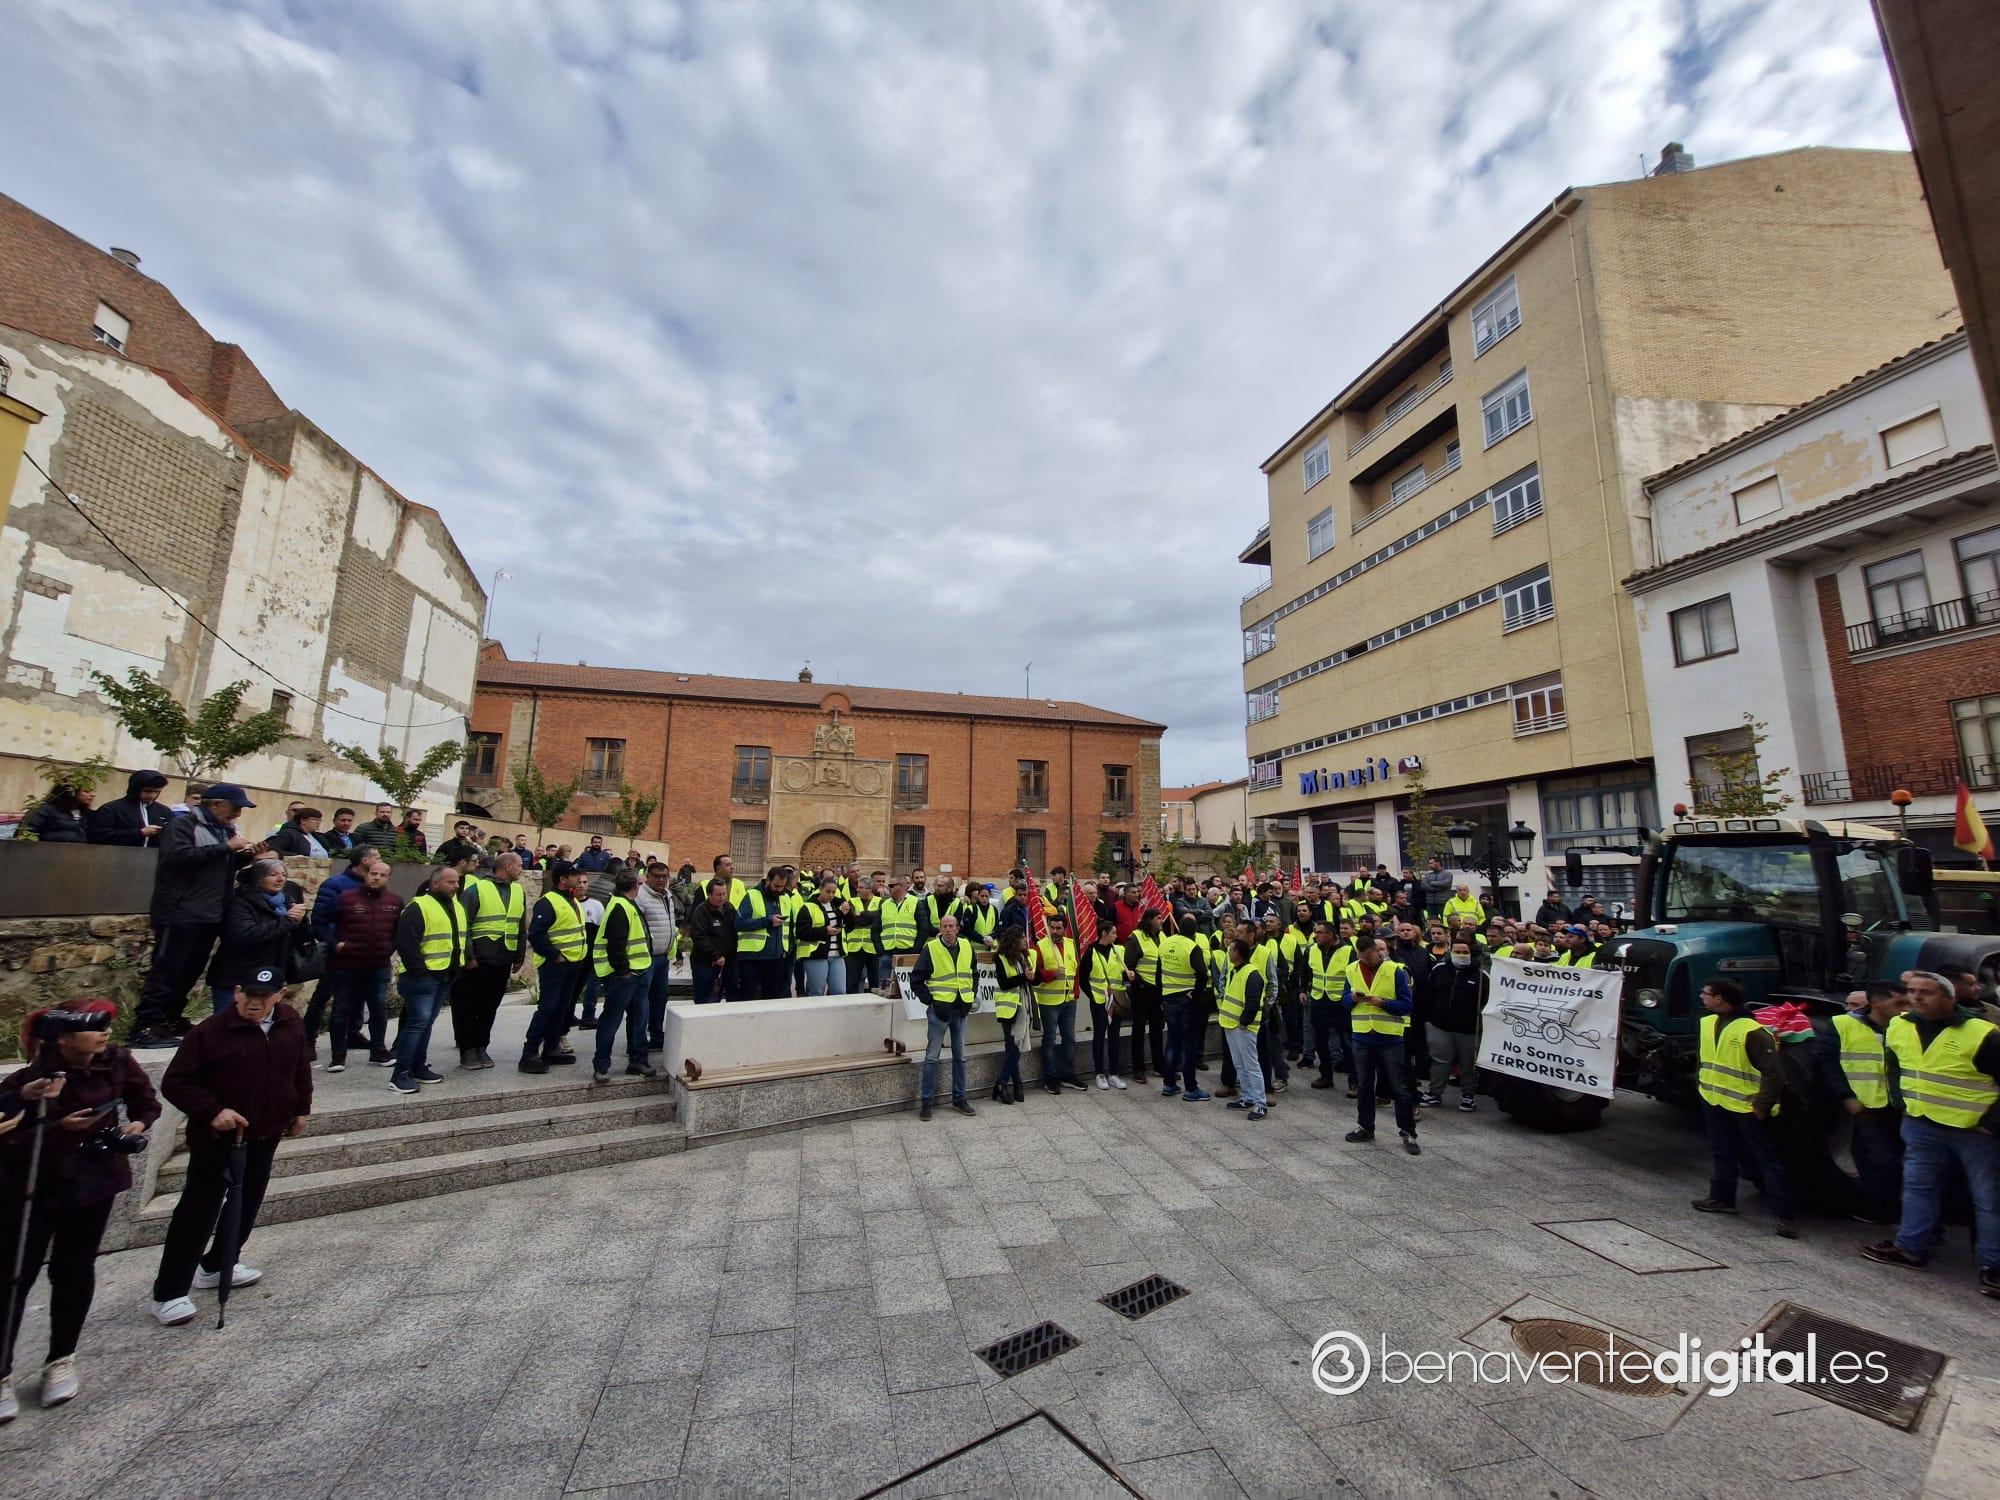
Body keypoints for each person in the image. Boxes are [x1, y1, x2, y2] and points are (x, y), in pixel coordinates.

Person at [0, 1001, 159, 1418]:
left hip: (93, 1183)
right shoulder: (30, 1080)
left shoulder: (118, 1062)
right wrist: (58, 1129)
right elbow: (10, 1139)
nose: (105, 1033)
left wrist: (137, 1124)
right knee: (15, 1277)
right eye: (94, 1027)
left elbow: (146, 1101)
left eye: (107, 1025)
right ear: (64, 1039)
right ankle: (2, 1374)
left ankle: (61, 1359)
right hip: (34, 1188)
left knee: (73, 1270)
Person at [148, 968, 309, 1326]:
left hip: (267, 1129)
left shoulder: (289, 1022)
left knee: (248, 1200)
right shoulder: (210, 1032)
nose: (255, 1003)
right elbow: (176, 1082)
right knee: (198, 1209)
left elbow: (299, 1067)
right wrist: (213, 1110)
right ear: (236, 992)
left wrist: (301, 1108)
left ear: (279, 995)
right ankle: (169, 1291)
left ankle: (219, 1263)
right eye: (248, 994)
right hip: (220, 1137)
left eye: (264, 996)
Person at [1863, 970, 2000, 1296]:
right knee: (1918, 1188)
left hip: (1973, 1131)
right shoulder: (1900, 1025)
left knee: (1988, 1199)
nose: (1916, 997)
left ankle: (1993, 1266)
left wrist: (1992, 1123)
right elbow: (1894, 1064)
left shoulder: (1982, 1034)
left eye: (1926, 992)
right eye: (1912, 991)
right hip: (1922, 1123)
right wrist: (1901, 1101)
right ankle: (1910, 1247)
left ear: (1950, 998)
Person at [1690, 978, 1794, 1236]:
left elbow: (1774, 1074)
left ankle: (1784, 1215)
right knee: (1722, 1151)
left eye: (1706, 993)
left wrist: (1760, 1107)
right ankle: (1721, 1199)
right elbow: (1704, 1060)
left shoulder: (1752, 1031)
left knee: (1766, 1158)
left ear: (1719, 998)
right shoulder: (1707, 1022)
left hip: (1746, 1106)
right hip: (1714, 1099)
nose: (1702, 996)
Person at [388, 865, 465, 1094]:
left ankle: (418, 1066)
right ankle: (400, 1074)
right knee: (417, 1023)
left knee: (426, 1023)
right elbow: (405, 942)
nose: (456, 886)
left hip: (444, 974)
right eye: (450, 882)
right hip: (422, 977)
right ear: (435, 883)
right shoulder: (419, 906)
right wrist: (419, 970)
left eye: (457, 882)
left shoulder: (456, 906)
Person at [1344, 935, 1419, 1154]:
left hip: (1389, 1037)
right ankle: (1365, 1126)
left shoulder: (1396, 970)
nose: (1366, 962)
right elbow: (1344, 1001)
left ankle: (1408, 1133)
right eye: (1362, 958)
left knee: (1399, 1088)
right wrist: (1352, 999)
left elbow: (1406, 1005)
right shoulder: (1352, 969)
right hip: (1362, 1036)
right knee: (1364, 1085)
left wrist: (1383, 1003)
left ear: (1378, 952)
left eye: (1369, 957)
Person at [452, 852, 528, 1070]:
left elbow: (520, 925)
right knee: (469, 1006)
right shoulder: (477, 889)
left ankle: (481, 1046)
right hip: (479, 960)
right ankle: (468, 1049)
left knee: (489, 1006)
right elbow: (463, 924)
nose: (522, 869)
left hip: (503, 958)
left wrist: (519, 955)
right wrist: (469, 956)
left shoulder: (518, 891)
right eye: (519, 865)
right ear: (508, 866)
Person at [323, 856, 399, 1072]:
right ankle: (338, 1057)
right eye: (373, 873)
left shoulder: (394, 901)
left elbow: (397, 931)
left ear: (388, 878)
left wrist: (388, 949)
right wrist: (335, 944)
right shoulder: (345, 898)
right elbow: (320, 922)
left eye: (383, 875)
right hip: (346, 965)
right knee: (341, 1009)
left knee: (378, 1009)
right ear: (366, 875)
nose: (377, 878)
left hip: (378, 966)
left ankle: (378, 1051)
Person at [208, 860, 309, 1016]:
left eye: (283, 875)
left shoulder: (286, 902)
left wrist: (301, 921)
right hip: (237, 976)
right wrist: (287, 920)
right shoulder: (241, 902)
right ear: (258, 878)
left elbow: (300, 937)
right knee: (227, 1023)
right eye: (273, 875)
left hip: (269, 977)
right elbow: (246, 934)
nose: (280, 879)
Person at [588, 870, 657, 1083]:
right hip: (624, 977)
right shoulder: (620, 906)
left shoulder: (626, 904)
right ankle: (601, 1065)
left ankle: (638, 1060)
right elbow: (615, 945)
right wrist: (623, 971)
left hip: (638, 972)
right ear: (635, 885)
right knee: (611, 1020)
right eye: (641, 883)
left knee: (639, 1019)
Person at [519, 865, 587, 1072]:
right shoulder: (548, 902)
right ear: (563, 879)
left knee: (562, 1007)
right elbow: (536, 934)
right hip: (555, 965)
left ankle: (551, 1048)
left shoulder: (572, 900)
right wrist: (554, 955)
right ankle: (529, 1053)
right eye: (575, 876)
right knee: (548, 1007)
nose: (579, 880)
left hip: (573, 962)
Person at [910, 913, 976, 1120]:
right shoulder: (931, 948)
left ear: (957, 928)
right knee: (932, 1058)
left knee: (960, 1058)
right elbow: (916, 979)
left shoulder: (966, 945)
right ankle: (927, 1103)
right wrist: (930, 1001)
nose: (948, 929)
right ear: (940, 928)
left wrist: (971, 994)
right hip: (939, 1011)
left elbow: (974, 973)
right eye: (944, 926)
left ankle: (960, 1098)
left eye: (951, 926)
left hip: (961, 1009)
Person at [1423, 938, 1485, 1111]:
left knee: (1468, 1063)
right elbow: (1429, 995)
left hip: (1468, 1029)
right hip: (1440, 1026)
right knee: (1440, 1061)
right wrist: (1428, 1020)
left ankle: (1468, 1096)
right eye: (1457, 952)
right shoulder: (1439, 970)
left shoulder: (1481, 976)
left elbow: (1486, 1002)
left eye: (1465, 952)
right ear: (1450, 951)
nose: (1461, 955)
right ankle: (1435, 1093)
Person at [1157, 917, 1211, 1102]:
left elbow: (1158, 972)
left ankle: (1169, 1084)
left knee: (1172, 1041)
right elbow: (1203, 974)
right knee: (1188, 1044)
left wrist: (1162, 995)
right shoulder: (1192, 947)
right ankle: (1191, 1089)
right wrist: (1195, 994)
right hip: (1185, 1000)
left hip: (1168, 997)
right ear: (1194, 932)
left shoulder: (1165, 943)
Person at [1217, 937, 1269, 1120]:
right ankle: (1247, 1098)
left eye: (1230, 950)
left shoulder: (1252, 974)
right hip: (1231, 1024)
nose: (1228, 952)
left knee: (1251, 1065)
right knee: (1239, 1064)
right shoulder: (1235, 970)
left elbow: (1253, 1003)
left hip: (1243, 1028)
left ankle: (1260, 1104)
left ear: (1237, 953)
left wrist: (1244, 1022)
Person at [1035, 912, 1085, 1094]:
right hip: (1049, 1002)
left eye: (1058, 928)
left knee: (1069, 1039)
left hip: (1069, 1000)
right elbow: (1035, 973)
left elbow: (1076, 970)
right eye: (1052, 927)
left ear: (1065, 929)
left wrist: (1076, 992)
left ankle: (1068, 1075)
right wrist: (1052, 974)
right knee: (1049, 1040)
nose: (1055, 931)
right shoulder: (1041, 945)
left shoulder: (1071, 944)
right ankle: (1050, 1078)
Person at [1304, 921, 1354, 1095]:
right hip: (1319, 1000)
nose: (1316, 935)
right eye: (1315, 932)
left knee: (1347, 1043)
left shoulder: (1348, 951)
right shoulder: (1312, 950)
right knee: (1320, 1041)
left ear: (1331, 935)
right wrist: (1303, 990)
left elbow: (1354, 976)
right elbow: (1306, 971)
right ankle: (1326, 1076)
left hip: (1340, 1002)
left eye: (1320, 932)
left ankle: (1354, 1080)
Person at [634, 861, 679, 1048]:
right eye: (657, 876)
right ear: (647, 877)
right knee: (641, 1002)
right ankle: (637, 1043)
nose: (661, 880)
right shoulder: (640, 897)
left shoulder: (667, 895)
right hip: (647, 958)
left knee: (660, 998)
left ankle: (657, 1036)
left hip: (663, 957)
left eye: (664, 876)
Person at [1123, 908, 1168, 1086]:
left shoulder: (1162, 936)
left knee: (1157, 1030)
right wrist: (1138, 981)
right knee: (1139, 1030)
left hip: (1158, 990)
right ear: (1149, 920)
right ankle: (1138, 1069)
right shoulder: (1136, 937)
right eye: (1158, 918)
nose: (1161, 921)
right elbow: (1129, 965)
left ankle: (1159, 1065)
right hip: (1142, 990)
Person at [733, 867, 792, 1000]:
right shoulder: (752, 895)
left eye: (782, 887)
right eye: (776, 886)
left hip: (776, 958)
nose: (779, 890)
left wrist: (786, 950)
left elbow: (789, 927)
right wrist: (768, 921)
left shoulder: (785, 898)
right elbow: (739, 924)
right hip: (751, 958)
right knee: (747, 997)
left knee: (772, 999)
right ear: (768, 880)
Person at [1080, 918, 1126, 1091]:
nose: (1116, 936)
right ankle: (1099, 1073)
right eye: (1113, 933)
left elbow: (1124, 971)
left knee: (1115, 1036)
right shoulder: (1091, 951)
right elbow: (1083, 977)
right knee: (1099, 1036)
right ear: (1104, 934)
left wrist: (1130, 974)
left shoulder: (1119, 950)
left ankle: (1114, 1073)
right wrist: (1092, 996)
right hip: (1099, 1001)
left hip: (1116, 1001)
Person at [990, 928, 1031, 1105]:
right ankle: (1004, 1082)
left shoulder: (1024, 956)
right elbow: (1004, 983)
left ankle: (1012, 1083)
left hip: (1023, 1006)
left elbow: (1030, 980)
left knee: (1014, 1046)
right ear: (1014, 940)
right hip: (1008, 1007)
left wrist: (1031, 977)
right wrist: (1024, 977)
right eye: (1022, 938)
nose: (1026, 940)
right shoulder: (1001, 958)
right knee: (1014, 1047)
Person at [86, 769, 171, 847]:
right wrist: (140, 833)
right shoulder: (111, 809)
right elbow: (99, 836)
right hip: (117, 856)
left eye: (156, 791)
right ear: (136, 789)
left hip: (152, 857)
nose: (152, 795)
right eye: (147, 791)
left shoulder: (164, 811)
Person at [795, 874, 847, 998]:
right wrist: (824, 931)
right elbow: (801, 932)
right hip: (816, 955)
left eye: (834, 892)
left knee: (840, 992)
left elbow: (849, 926)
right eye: (828, 891)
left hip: (837, 954)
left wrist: (847, 914)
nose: (831, 895)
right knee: (817, 992)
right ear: (820, 889)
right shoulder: (808, 907)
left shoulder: (837, 906)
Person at [688, 877, 736, 1005]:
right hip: (706, 963)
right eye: (718, 895)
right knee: (706, 1000)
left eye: (724, 894)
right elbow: (698, 936)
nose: (722, 897)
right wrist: (716, 955)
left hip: (726, 963)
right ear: (709, 894)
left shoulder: (729, 908)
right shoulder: (701, 911)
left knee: (719, 997)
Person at [876, 876, 920, 987]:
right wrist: (880, 951)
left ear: (902, 886)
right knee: (885, 988)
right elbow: (875, 929)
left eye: (891, 886)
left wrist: (915, 950)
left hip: (908, 952)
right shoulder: (884, 904)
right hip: (887, 953)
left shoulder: (915, 902)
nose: (888, 888)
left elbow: (923, 929)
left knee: (907, 988)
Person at [21, 785, 93, 843]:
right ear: (71, 792)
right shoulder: (45, 810)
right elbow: (26, 835)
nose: (93, 795)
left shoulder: (85, 814)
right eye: (86, 791)